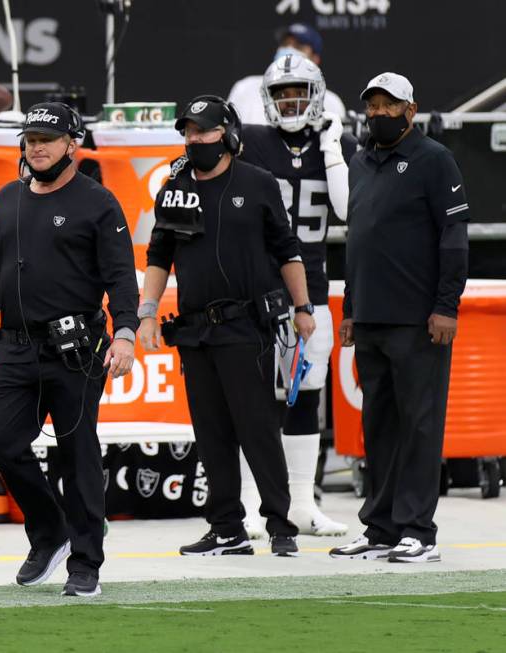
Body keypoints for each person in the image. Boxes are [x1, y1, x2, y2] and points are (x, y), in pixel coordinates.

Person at [0, 102, 139, 597]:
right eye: (30, 139)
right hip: (15, 349)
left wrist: (127, 333)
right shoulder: (7, 199)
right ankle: (50, 532)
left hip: (76, 351)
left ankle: (86, 562)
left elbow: (120, 276)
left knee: (78, 456)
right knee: (1, 442)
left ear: (73, 144)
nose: (38, 147)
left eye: (48, 139)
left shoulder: (98, 202)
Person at [138, 96, 312, 558]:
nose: (195, 140)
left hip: (245, 326)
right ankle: (226, 528)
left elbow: (287, 249)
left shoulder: (257, 184)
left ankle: (280, 524)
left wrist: (303, 307)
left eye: (205, 131)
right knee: (211, 432)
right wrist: (147, 312)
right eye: (189, 132)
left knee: (257, 429)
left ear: (228, 134)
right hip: (195, 331)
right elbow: (159, 255)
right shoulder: (174, 187)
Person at [331, 73, 469, 564]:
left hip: (418, 320)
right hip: (370, 317)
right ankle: (381, 526)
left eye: (390, 106)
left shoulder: (435, 160)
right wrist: (350, 308)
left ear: (412, 110)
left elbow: (453, 235)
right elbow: (358, 242)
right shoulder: (361, 162)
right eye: (372, 106)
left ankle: (419, 531)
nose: (379, 114)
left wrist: (446, 305)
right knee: (380, 425)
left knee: (420, 424)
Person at [237, 53, 358, 538]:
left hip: (312, 287)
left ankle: (302, 503)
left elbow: (348, 210)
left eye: (299, 93)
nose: (290, 102)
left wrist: (331, 149)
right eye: (282, 94)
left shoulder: (336, 141)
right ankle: (253, 503)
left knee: (306, 396)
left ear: (317, 96)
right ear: (268, 99)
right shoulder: (250, 140)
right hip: (259, 287)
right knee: (256, 399)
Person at [228, 23, 346, 126]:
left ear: (315, 59)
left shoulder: (331, 102)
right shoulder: (244, 88)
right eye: (285, 44)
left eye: (298, 46)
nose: (289, 49)